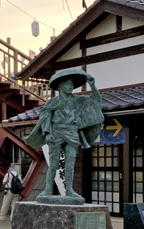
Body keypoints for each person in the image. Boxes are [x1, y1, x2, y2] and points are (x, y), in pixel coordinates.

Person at [25, 68, 103, 200]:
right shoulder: (52, 102)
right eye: (67, 84)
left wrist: (93, 85)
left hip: (72, 133)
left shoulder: (78, 100)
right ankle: (48, 189)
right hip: (56, 133)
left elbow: (95, 101)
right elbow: (45, 119)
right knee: (53, 164)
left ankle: (70, 190)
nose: (70, 87)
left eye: (72, 85)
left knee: (70, 164)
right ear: (60, 86)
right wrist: (47, 133)